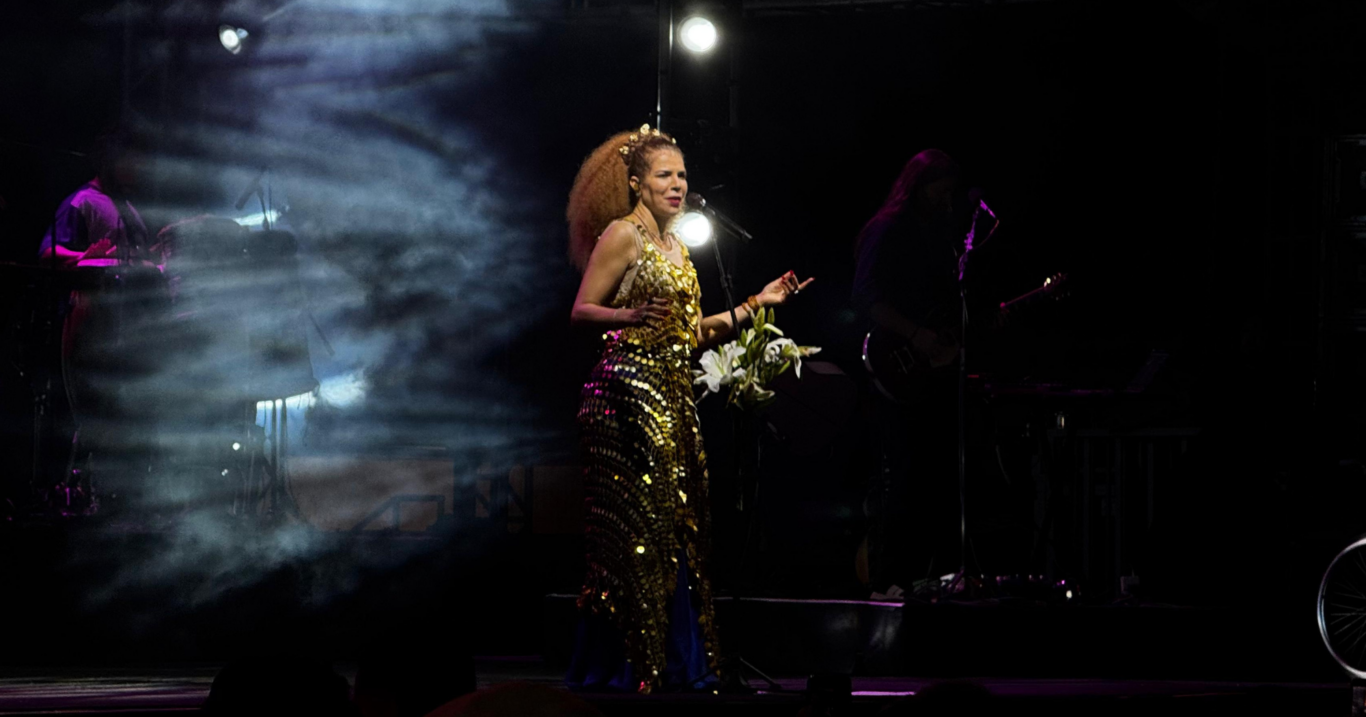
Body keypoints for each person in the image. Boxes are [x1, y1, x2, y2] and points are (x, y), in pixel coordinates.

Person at [564, 124, 811, 694]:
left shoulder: (679, 249)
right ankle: (627, 669)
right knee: (635, 534)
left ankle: (675, 665)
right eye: (664, 175)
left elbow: (692, 333)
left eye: (681, 175)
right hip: (624, 395)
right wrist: (627, 317)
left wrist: (759, 303)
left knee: (677, 531)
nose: (677, 185)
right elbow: (582, 310)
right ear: (636, 183)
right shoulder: (622, 236)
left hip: (672, 397)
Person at [851, 149, 965, 599]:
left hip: (930, 373)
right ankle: (889, 577)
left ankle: (927, 575)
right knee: (903, 472)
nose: (948, 200)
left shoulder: (937, 234)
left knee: (933, 473)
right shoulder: (888, 229)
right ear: (921, 185)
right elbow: (865, 296)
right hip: (893, 366)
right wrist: (916, 334)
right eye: (943, 190)